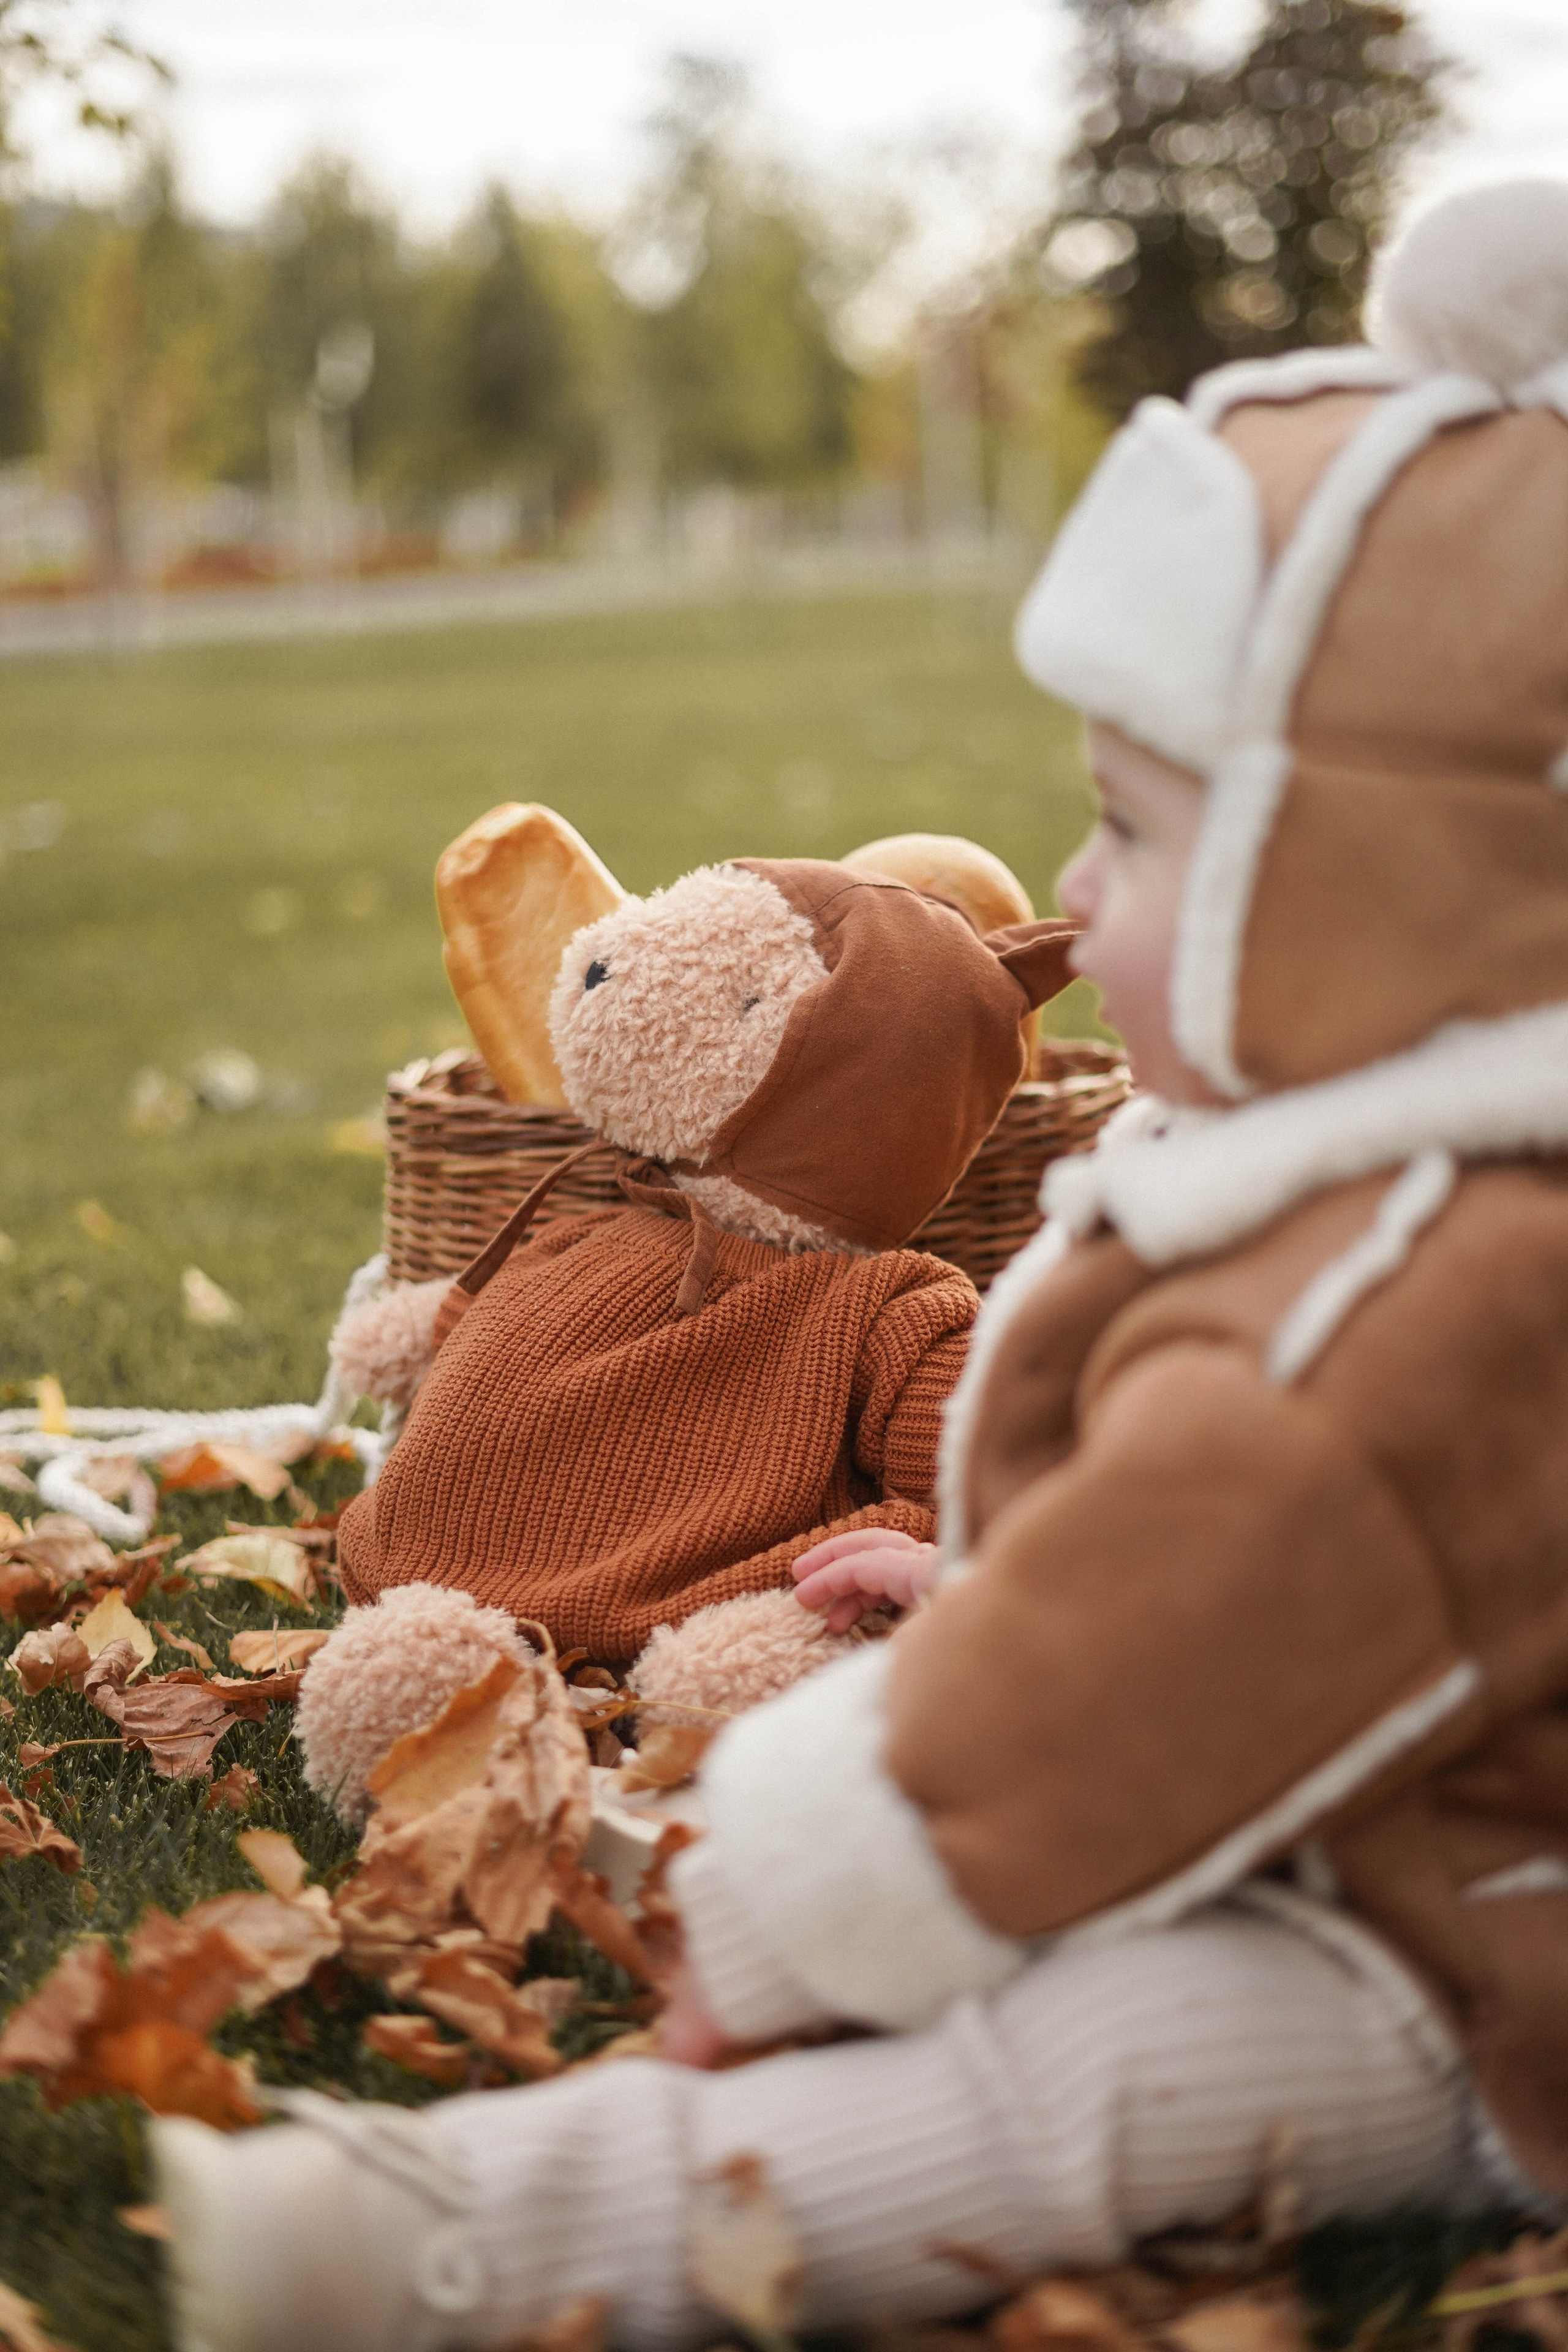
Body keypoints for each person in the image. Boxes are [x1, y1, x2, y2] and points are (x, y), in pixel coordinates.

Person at [154, 179, 1568, 2352]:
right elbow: (1222, 1581)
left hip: (1478, 1939)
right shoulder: (1336, 1172)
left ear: (1372, 886)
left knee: (1092, 2070)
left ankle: (512, 2234)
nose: (1079, 897)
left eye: (1142, 825)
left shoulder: (1438, 1298)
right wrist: (999, 1579)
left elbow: (1155, 1659)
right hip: (1368, 1780)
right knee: (1064, 1901)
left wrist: (810, 1907)